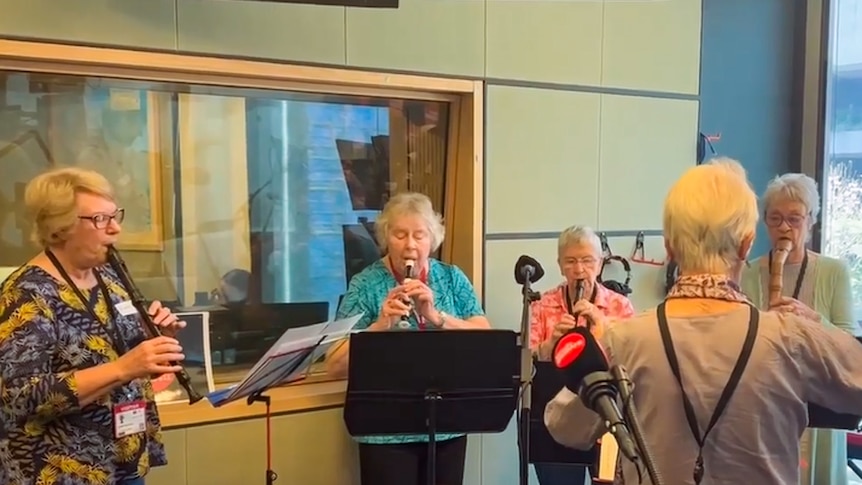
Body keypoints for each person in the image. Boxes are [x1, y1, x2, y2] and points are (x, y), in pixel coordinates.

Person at [544, 157, 862, 484]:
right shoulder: (790, 339)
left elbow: (563, 427)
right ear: (746, 243)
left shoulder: (623, 339)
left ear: (669, 246)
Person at [0, 167, 187, 485]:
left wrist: (154, 340)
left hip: (123, 458)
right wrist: (125, 367)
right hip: (63, 470)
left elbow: (114, 351)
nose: (115, 229)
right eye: (100, 219)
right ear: (61, 228)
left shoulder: (109, 278)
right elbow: (18, 396)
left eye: (116, 216)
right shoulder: (26, 294)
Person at [325, 191, 490, 485]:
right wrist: (380, 325)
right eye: (400, 235)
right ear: (386, 238)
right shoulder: (365, 284)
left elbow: (484, 340)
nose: (410, 245)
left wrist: (437, 317)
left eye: (419, 235)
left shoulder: (451, 278)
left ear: (433, 240)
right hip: (385, 430)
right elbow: (334, 364)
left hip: (446, 425)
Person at [740, 172, 859, 485]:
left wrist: (814, 320)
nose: (784, 227)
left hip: (819, 403)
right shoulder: (748, 272)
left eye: (794, 218)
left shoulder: (834, 271)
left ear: (811, 222)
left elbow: (849, 342)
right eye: (775, 218)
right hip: (766, 403)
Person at [530, 225, 635, 484]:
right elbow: (526, 360)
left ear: (599, 264)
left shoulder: (619, 306)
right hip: (556, 422)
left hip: (609, 421)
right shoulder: (542, 305)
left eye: (587, 261)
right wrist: (550, 345)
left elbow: (635, 358)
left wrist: (603, 330)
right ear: (560, 265)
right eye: (571, 261)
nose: (579, 270)